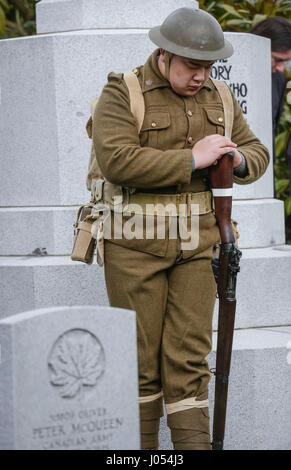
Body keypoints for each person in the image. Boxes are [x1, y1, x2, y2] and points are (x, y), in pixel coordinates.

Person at [92, 7, 269, 450]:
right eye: (193, 66)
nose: (201, 76)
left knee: (189, 361)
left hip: (199, 246)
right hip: (134, 248)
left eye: (209, 67)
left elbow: (256, 150)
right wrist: (194, 159)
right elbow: (117, 159)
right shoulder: (123, 91)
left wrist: (238, 159)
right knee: (139, 361)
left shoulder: (221, 96)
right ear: (165, 54)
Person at [250, 17, 291, 196]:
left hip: (262, 174)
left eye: (286, 61)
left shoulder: (278, 79)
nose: (281, 68)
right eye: (277, 59)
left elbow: (271, 128)